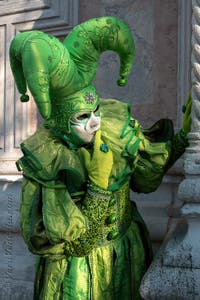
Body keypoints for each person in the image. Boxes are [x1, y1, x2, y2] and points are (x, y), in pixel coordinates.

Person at [10, 16, 191, 300]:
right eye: (82, 116)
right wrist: (98, 183)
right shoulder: (51, 162)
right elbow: (78, 245)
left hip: (127, 255)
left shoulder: (112, 132)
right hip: (81, 276)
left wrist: (183, 140)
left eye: (95, 110)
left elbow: (145, 179)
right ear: (59, 120)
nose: (95, 122)